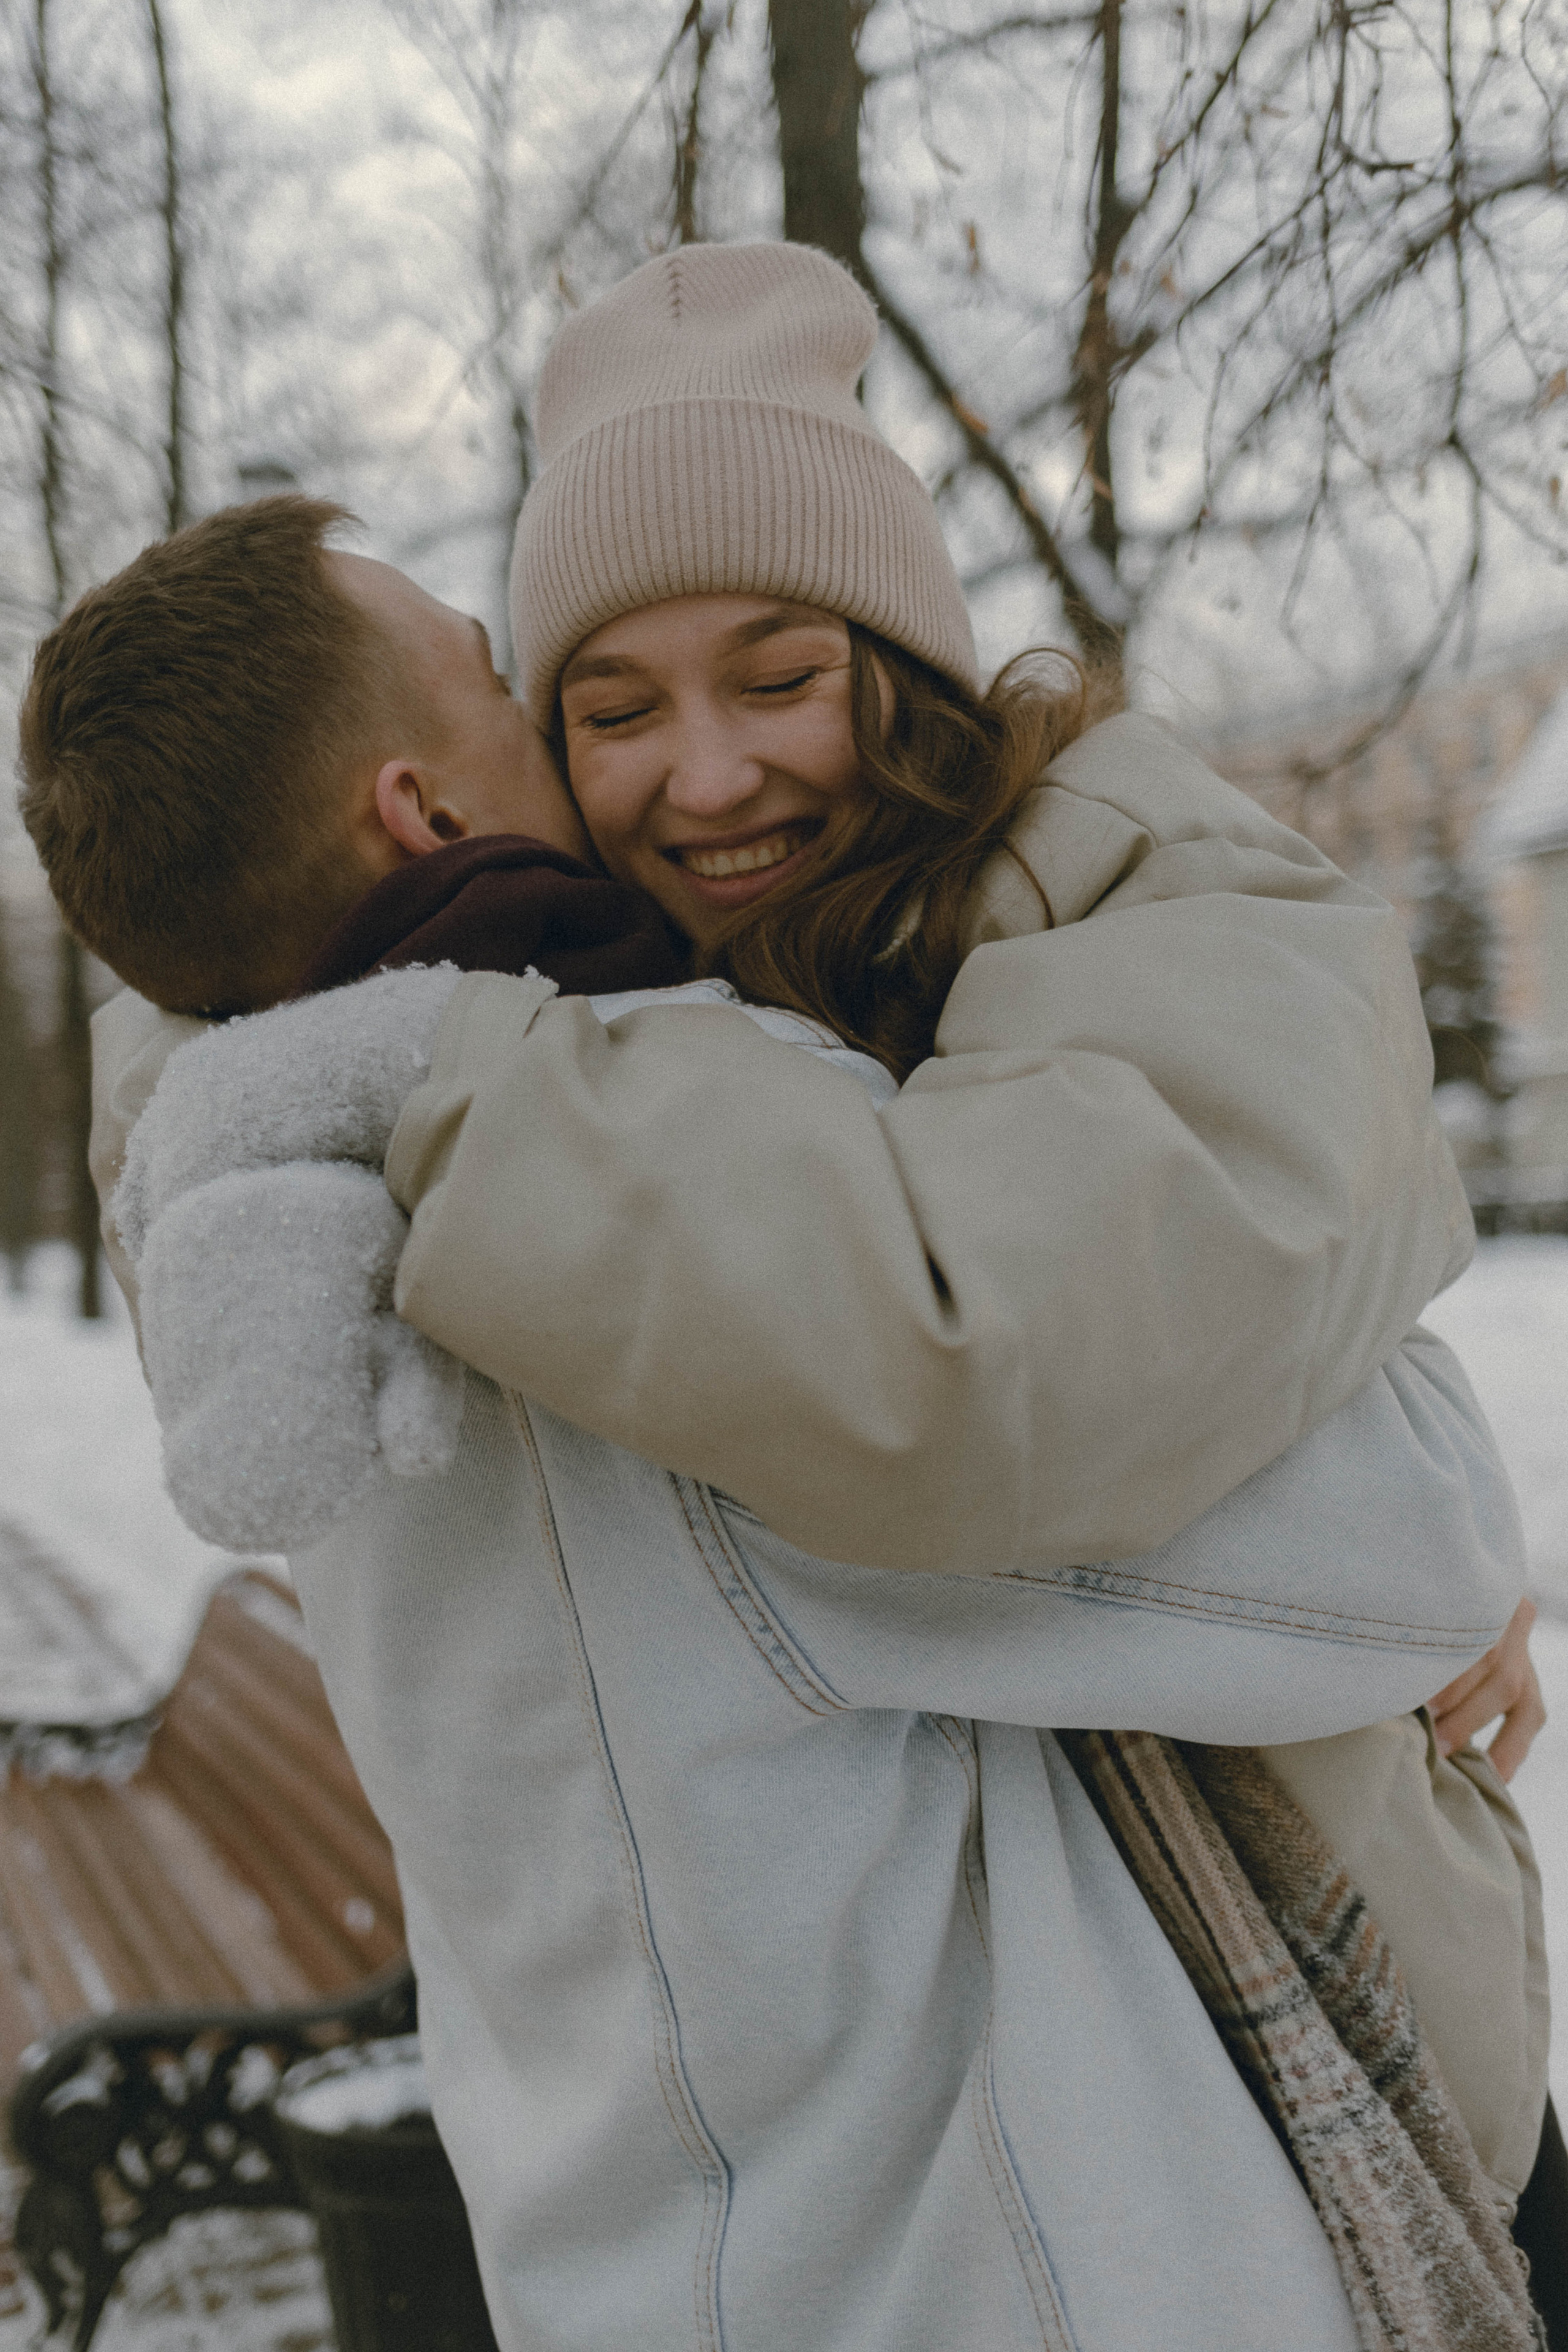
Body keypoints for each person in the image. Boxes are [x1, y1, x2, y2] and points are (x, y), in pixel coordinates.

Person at [13, 246, 1550, 2342]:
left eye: (781, 672)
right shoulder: (582, 1199)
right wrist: (1405, 1442)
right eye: (593, 700)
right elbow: (1360, 1554)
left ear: (897, 666)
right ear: (445, 789)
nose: (704, 775)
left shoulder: (316, 1184)